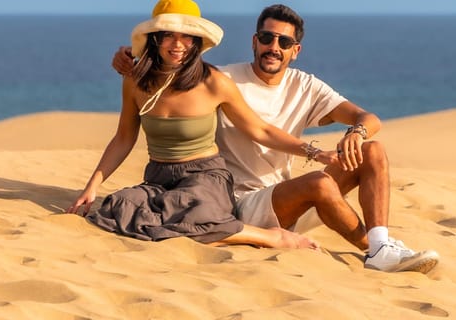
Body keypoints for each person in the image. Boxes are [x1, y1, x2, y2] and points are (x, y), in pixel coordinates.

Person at [112, 4, 439, 273]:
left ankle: (381, 245)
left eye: (284, 42)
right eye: (267, 38)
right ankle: (375, 252)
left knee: (373, 150)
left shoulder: (305, 86)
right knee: (319, 183)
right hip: (237, 203)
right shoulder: (221, 78)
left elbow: (366, 118)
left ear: (295, 50)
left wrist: (357, 132)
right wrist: (131, 57)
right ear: (255, 41)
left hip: (288, 202)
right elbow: (173, 68)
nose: (274, 47)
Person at [68, 0, 327, 250]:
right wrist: (92, 187)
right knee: (118, 207)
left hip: (205, 178)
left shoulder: (213, 81)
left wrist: (315, 152)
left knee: (195, 212)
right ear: (156, 38)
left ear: (196, 41)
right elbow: (124, 138)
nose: (178, 44)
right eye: (169, 35)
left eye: (187, 36)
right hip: (158, 178)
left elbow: (261, 130)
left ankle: (270, 238)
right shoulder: (135, 82)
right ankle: (220, 232)